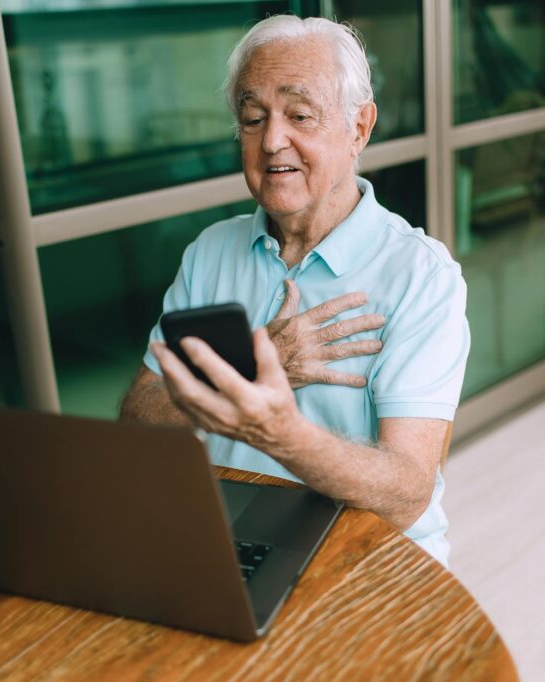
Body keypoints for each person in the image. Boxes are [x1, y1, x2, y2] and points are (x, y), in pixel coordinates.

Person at [119, 15, 469, 565]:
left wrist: (279, 431)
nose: (272, 141)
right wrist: (256, 363)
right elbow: (139, 417)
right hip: (231, 540)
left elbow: (407, 494)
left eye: (300, 115)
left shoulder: (422, 276)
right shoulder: (210, 251)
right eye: (253, 118)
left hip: (366, 557)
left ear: (359, 128)